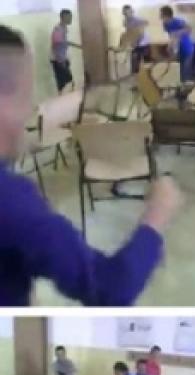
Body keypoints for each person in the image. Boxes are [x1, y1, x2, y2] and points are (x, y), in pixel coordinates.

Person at [0, 26, 184, 306]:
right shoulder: (12, 202)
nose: (29, 111)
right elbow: (110, 289)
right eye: (25, 97)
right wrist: (157, 215)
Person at [160, 6, 195, 82]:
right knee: (177, 73)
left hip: (187, 49)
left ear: (166, 15)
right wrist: (170, 46)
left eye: (161, 14)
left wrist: (177, 33)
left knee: (184, 74)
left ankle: (185, 84)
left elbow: (189, 29)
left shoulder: (177, 21)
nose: (160, 16)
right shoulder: (165, 24)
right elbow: (171, 37)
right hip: (177, 50)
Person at [49, 9, 80, 92]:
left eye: (71, 17)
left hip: (62, 58)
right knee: (65, 83)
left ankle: (66, 96)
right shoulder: (58, 29)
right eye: (69, 17)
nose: (71, 19)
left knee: (67, 83)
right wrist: (61, 61)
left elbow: (64, 42)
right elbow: (56, 46)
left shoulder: (64, 28)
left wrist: (78, 46)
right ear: (63, 17)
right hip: (58, 59)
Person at [121, 5, 150, 75]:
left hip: (143, 44)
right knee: (134, 64)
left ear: (132, 12)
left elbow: (141, 33)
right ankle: (135, 77)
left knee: (146, 64)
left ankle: (145, 78)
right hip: (135, 44)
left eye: (128, 12)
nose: (126, 15)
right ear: (123, 13)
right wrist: (127, 43)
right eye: (125, 13)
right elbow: (129, 33)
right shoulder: (125, 21)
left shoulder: (137, 20)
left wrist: (136, 42)